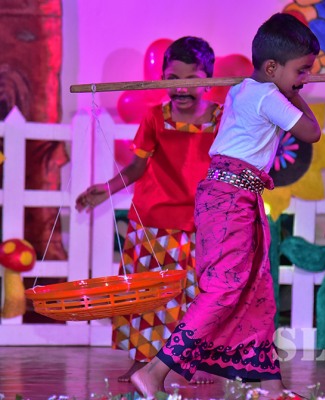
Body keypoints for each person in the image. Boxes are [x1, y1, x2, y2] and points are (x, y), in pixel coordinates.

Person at [131, 13, 321, 398]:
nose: (305, 78)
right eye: (302, 70)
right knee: (223, 288)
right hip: (231, 198)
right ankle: (155, 370)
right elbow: (312, 132)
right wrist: (294, 93)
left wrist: (290, 83)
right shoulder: (268, 96)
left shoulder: (242, 89)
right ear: (272, 68)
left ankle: (272, 386)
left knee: (256, 290)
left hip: (232, 195)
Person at [75, 36, 222, 384]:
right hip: (152, 223)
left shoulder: (223, 118)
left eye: (192, 79)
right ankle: (142, 361)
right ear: (162, 79)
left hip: (201, 224)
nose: (181, 88)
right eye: (173, 78)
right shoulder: (156, 118)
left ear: (210, 80)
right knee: (146, 298)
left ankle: (192, 364)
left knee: (196, 298)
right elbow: (136, 169)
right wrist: (105, 189)